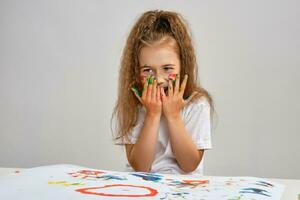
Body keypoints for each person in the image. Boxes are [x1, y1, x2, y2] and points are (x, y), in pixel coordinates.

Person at [112, 10, 214, 175]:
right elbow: (141, 167)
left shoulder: (197, 104)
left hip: (183, 190)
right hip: (143, 187)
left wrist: (173, 115)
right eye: (147, 70)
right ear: (135, 70)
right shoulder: (133, 104)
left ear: (183, 64)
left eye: (167, 68)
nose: (158, 79)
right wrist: (152, 114)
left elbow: (189, 165)